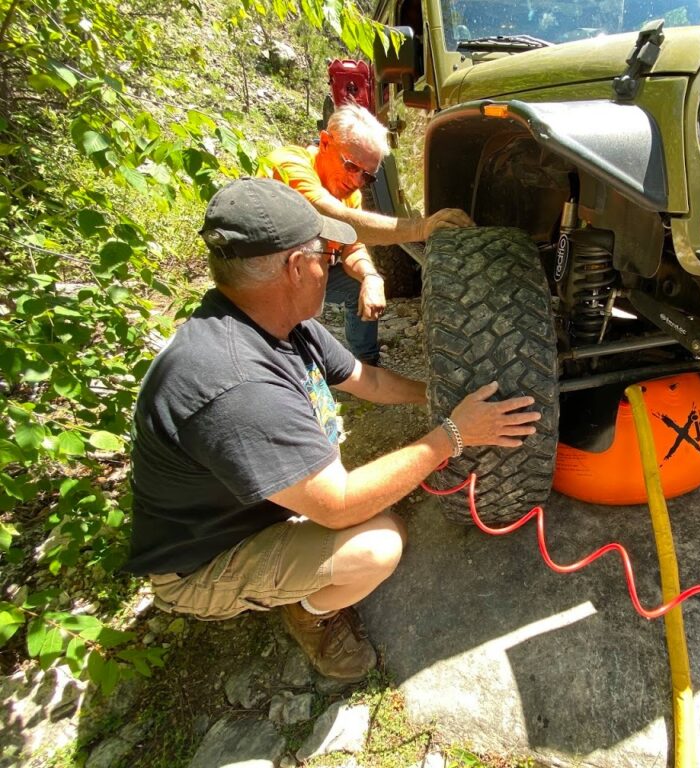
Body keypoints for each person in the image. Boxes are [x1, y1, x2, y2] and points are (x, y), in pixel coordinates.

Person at [126, 178, 539, 683]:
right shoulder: (236, 383)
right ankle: (309, 612)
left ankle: (298, 562)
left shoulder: (277, 323)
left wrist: (443, 395)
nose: (337, 261)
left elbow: (370, 380)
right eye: (329, 251)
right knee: (377, 545)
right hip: (204, 560)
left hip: (260, 508)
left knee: (374, 503)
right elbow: (338, 504)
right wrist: (453, 435)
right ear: (297, 267)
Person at [266, 102, 473, 365]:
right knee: (308, 264)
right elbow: (326, 214)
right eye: (351, 167)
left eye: (367, 177)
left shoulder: (348, 192)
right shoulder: (289, 164)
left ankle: (364, 364)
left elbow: (351, 243)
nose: (356, 182)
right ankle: (281, 360)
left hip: (307, 272)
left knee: (356, 284)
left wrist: (371, 277)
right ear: (325, 142)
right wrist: (421, 228)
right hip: (267, 277)